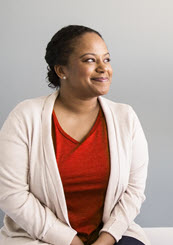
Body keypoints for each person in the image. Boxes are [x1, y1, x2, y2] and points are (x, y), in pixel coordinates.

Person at [0, 25, 150, 245]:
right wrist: (70, 241)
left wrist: (106, 239)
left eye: (106, 59)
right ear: (62, 70)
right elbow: (11, 194)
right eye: (90, 60)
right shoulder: (26, 116)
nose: (103, 68)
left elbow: (134, 192)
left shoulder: (125, 117)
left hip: (110, 236)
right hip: (40, 237)